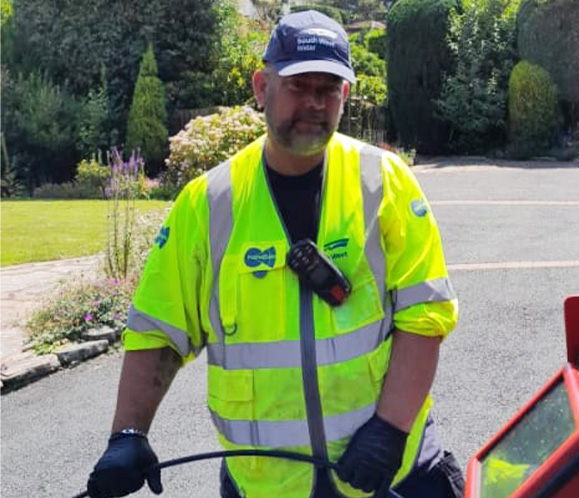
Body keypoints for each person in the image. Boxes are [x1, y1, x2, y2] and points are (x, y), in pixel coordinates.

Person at [86, 10, 462, 498]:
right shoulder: (208, 204)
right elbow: (159, 327)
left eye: (327, 89)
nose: (313, 103)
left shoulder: (383, 183)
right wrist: (128, 434)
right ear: (262, 87)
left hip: (390, 472)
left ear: (345, 96)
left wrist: (391, 429)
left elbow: (423, 314)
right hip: (265, 486)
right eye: (298, 86)